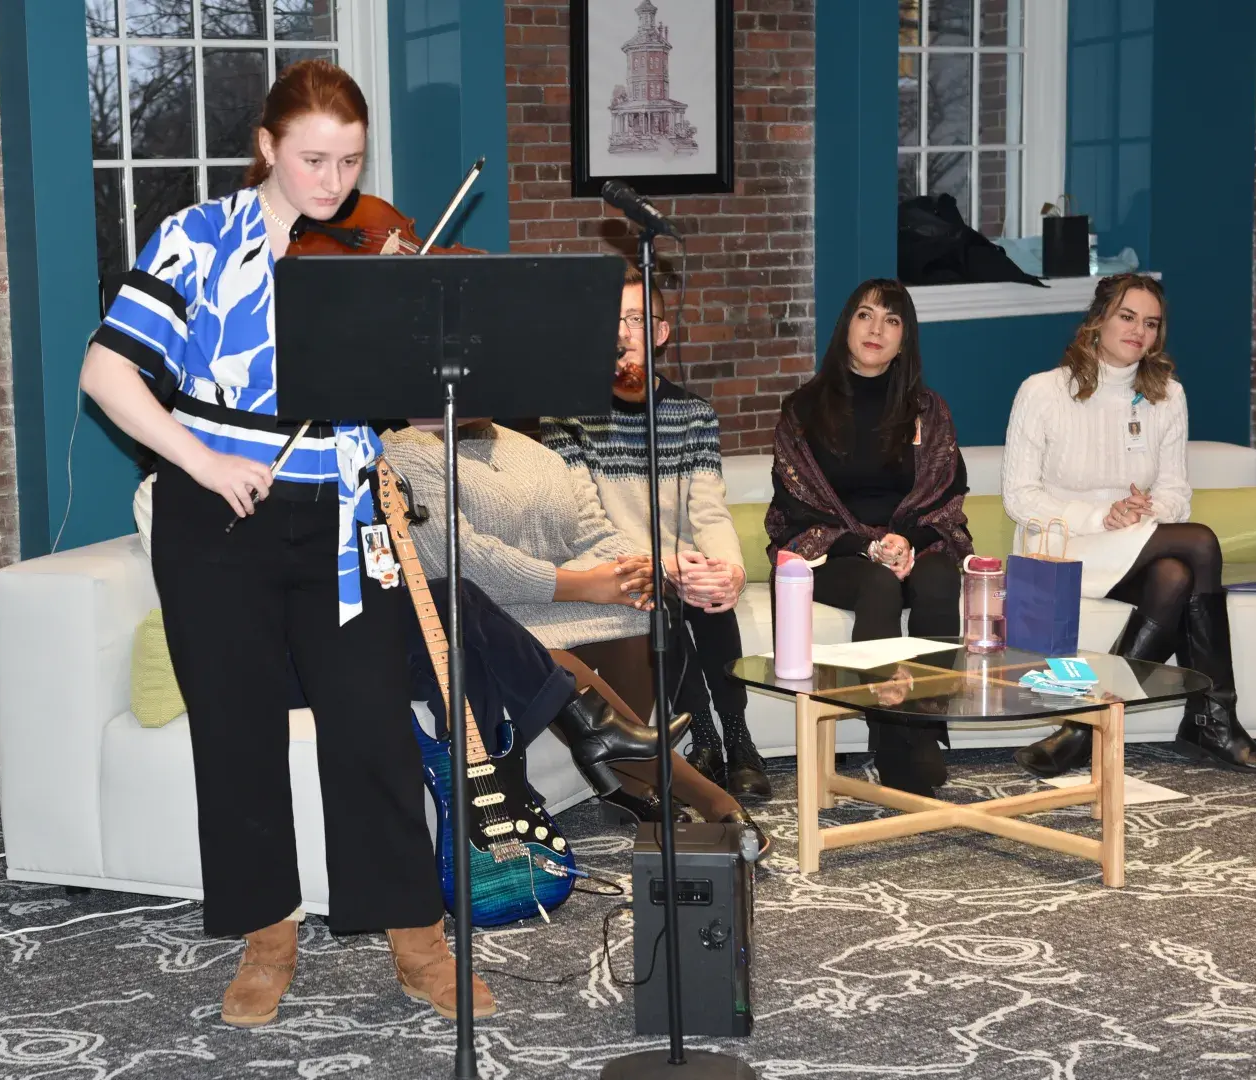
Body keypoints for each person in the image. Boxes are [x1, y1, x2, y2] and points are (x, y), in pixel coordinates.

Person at [78, 60, 490, 1030]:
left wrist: (407, 323)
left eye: (349, 161)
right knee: (238, 739)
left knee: (376, 733)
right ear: (266, 147)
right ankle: (269, 940)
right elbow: (108, 373)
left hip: (342, 520)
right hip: (216, 521)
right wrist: (202, 459)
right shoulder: (194, 240)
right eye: (313, 159)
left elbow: (399, 393)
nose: (334, 184)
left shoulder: (363, 246)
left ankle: (415, 941)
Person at [382, 417, 762, 837]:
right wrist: (587, 584)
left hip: (553, 605)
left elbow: (592, 533)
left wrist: (631, 569)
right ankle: (708, 797)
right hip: (486, 623)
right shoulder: (405, 452)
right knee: (548, 658)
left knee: (639, 612)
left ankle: (630, 786)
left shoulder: (533, 452)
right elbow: (464, 563)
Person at [1003, 273, 1256, 776]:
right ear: (1097, 321)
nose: (1139, 331)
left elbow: (1178, 490)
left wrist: (1145, 510)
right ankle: (1213, 717)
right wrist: (1100, 516)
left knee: (1175, 575)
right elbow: (1020, 497)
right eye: (1127, 316)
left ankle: (1089, 725)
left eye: (1150, 323)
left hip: (1133, 542)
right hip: (1062, 547)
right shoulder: (1042, 391)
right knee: (1199, 544)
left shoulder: (1167, 395)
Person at [541, 266, 772, 801]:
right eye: (612, 321)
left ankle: (736, 742)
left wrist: (728, 571)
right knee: (664, 600)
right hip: (613, 569)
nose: (624, 334)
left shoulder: (693, 415)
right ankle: (707, 736)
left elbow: (709, 512)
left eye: (637, 320)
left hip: (679, 566)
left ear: (662, 333)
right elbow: (584, 522)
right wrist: (663, 567)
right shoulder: (569, 417)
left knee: (711, 595)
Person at [764, 279, 971, 797]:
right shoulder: (803, 409)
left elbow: (947, 493)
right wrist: (868, 546)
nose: (877, 329)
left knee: (941, 578)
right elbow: (796, 505)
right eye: (866, 315)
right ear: (846, 327)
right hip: (834, 552)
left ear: (906, 339)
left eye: (892, 321)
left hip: (912, 544)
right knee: (879, 587)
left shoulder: (930, 409)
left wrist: (907, 542)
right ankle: (886, 735)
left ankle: (923, 729)